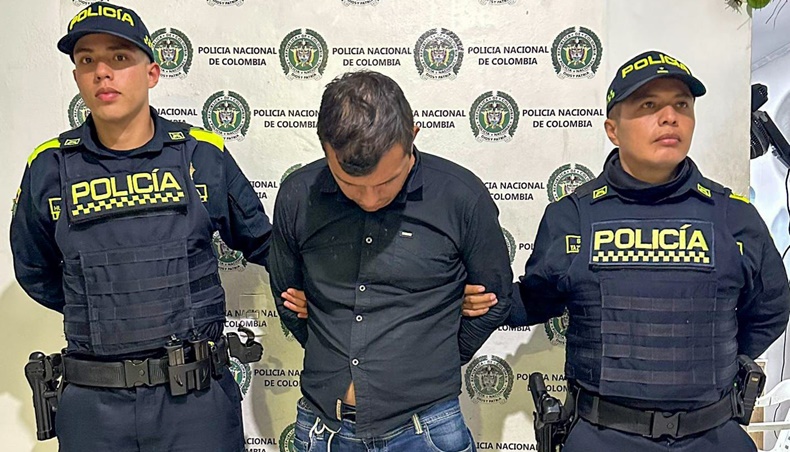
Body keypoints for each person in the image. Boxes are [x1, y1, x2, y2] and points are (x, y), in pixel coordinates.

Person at [11, 3, 277, 450]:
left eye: (119, 57)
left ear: (152, 72)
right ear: (76, 76)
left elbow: (264, 243)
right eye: (87, 60)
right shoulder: (49, 168)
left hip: (194, 403)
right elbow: (34, 271)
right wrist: (103, 306)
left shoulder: (200, 156)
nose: (102, 72)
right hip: (95, 405)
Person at [498, 50, 790, 451]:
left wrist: (714, 359)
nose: (669, 117)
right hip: (603, 437)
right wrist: (474, 297)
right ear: (613, 129)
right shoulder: (572, 217)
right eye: (648, 105)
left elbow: (771, 308)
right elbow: (536, 299)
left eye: (681, 105)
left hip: (711, 435)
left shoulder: (734, 217)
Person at [269, 70, 513, 452]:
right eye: (350, 184)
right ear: (325, 148)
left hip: (426, 430)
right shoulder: (297, 196)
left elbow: (495, 299)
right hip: (322, 429)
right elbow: (287, 297)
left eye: (386, 182)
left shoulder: (461, 196)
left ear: (412, 135)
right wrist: (330, 343)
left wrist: (439, 356)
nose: (370, 199)